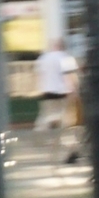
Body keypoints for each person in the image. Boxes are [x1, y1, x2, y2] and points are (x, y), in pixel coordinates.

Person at [35, 35, 80, 163]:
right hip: (63, 95)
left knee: (48, 119)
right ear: (63, 46)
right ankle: (71, 150)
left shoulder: (43, 58)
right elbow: (70, 77)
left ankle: (46, 138)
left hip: (47, 95)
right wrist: (75, 93)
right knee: (66, 126)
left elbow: (39, 76)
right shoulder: (66, 58)